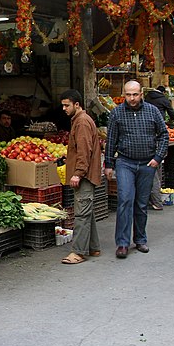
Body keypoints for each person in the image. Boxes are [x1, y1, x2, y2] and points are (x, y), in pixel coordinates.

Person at [104, 80, 169, 259]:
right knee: (125, 200)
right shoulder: (116, 113)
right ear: (124, 95)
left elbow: (164, 135)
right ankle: (122, 243)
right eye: (128, 95)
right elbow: (111, 140)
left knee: (141, 203)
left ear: (141, 94)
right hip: (125, 162)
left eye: (135, 94)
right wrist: (108, 164)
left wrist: (158, 158)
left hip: (147, 163)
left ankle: (140, 239)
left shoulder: (153, 111)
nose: (131, 98)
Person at [59, 90, 102, 265]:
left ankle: (78, 252)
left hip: (84, 175)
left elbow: (85, 151)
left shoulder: (82, 122)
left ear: (77, 105)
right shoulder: (79, 120)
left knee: (82, 213)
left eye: (66, 105)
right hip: (85, 174)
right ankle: (93, 247)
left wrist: (78, 173)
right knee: (87, 211)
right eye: (63, 105)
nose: (64, 108)